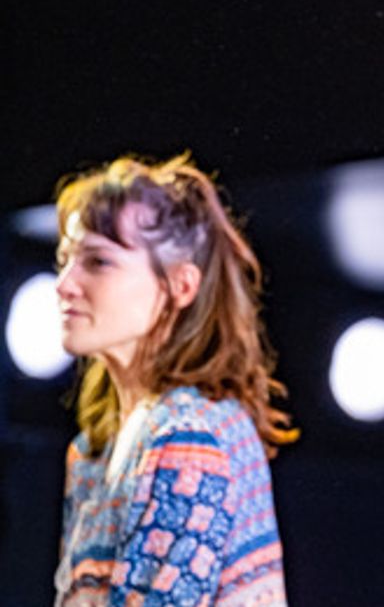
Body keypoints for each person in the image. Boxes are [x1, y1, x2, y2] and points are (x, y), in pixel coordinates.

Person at [52, 153, 296, 606]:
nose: (64, 283)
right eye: (65, 259)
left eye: (98, 262)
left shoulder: (188, 439)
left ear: (180, 286)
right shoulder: (93, 451)